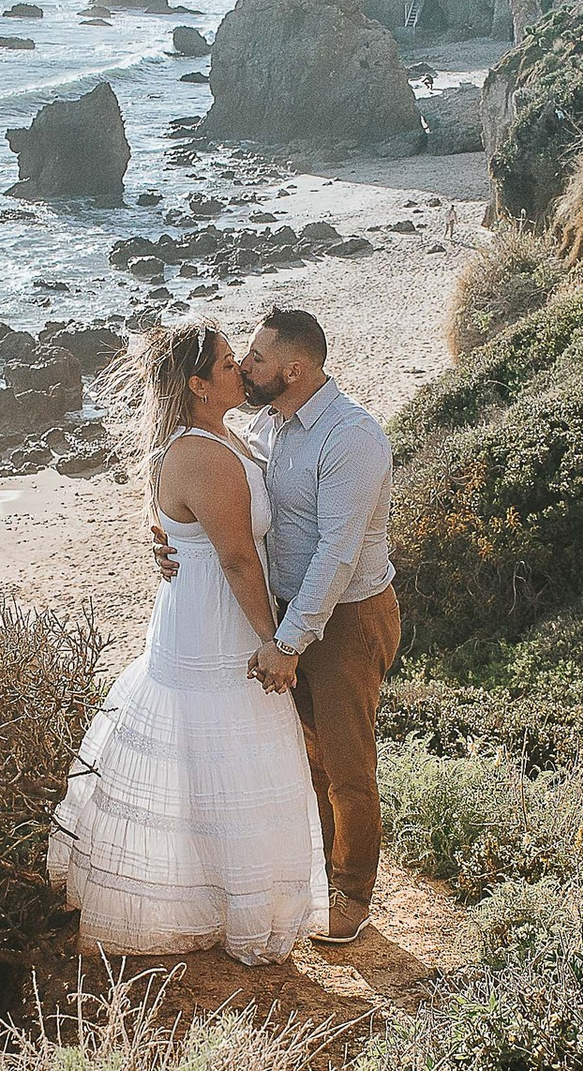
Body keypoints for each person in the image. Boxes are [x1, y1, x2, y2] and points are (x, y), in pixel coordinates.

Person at [48, 321, 329, 963]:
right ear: (198, 385)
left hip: (204, 607)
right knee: (219, 750)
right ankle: (225, 902)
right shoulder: (201, 451)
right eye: (230, 365)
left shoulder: (221, 432)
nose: (242, 372)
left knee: (214, 755)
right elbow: (235, 558)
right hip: (215, 619)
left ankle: (222, 893)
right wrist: (275, 642)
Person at [149, 302, 398, 948]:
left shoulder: (352, 439)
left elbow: (338, 557)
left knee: (347, 765)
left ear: (293, 369)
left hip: (343, 617)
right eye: (239, 357)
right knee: (304, 757)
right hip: (289, 614)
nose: (246, 367)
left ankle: (352, 894)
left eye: (255, 358)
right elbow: (215, 497)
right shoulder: (268, 427)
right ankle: (314, 877)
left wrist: (287, 642)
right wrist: (171, 535)